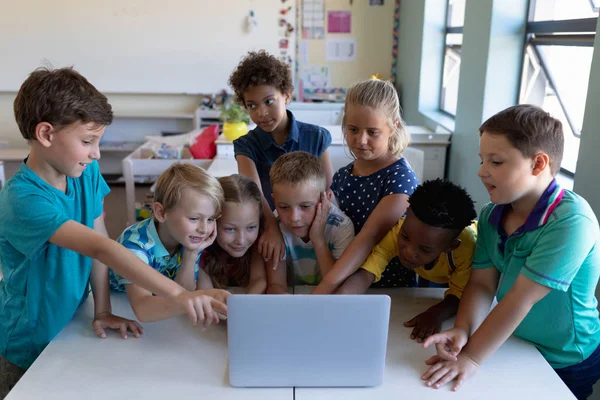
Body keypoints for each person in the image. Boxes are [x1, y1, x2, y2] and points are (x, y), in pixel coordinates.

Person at [0, 67, 228, 398]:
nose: (96, 154)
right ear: (46, 134)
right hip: (28, 344)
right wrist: (181, 296)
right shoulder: (23, 199)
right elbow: (102, 250)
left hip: (70, 326)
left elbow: (101, 241)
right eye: (88, 141)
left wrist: (103, 309)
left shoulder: (85, 173)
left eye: (99, 142)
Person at [422, 105, 600, 400]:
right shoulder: (492, 215)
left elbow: (521, 297)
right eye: (482, 160)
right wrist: (463, 330)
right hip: (516, 342)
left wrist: (472, 358)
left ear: (538, 164)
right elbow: (481, 283)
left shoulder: (571, 222)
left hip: (566, 356)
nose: (481, 171)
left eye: (496, 162)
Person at [313, 78, 420, 294]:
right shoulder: (343, 175)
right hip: (341, 282)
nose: (361, 140)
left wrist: (323, 290)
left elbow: (369, 237)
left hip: (390, 290)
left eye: (372, 132)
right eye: (353, 129)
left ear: (393, 128)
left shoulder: (400, 179)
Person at [337, 179, 477, 342]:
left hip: (454, 277)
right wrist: (339, 301)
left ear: (451, 246)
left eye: (424, 249)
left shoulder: (468, 248)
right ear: (407, 212)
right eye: (404, 237)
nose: (409, 252)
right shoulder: (401, 228)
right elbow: (368, 271)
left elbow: (461, 294)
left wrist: (435, 314)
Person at [229, 50, 333, 269]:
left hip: (312, 227)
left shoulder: (317, 137)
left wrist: (315, 232)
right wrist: (272, 229)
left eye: (269, 101)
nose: (262, 113)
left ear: (286, 95)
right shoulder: (245, 145)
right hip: (270, 226)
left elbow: (328, 190)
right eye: (252, 105)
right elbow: (253, 192)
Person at [110, 163, 231, 323]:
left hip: (160, 309)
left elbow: (183, 293)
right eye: (194, 218)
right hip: (120, 306)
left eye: (210, 219)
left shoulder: (187, 235)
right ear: (161, 213)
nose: (204, 229)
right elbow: (143, 309)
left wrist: (191, 253)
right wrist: (201, 296)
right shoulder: (136, 245)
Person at [265, 152, 354, 293]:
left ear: (325, 199)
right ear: (274, 200)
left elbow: (338, 287)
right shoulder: (274, 228)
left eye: (305, 206)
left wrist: (318, 240)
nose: (294, 217)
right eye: (283, 207)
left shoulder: (341, 227)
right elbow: (275, 285)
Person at [197, 174, 267, 294]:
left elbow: (259, 280)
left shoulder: (259, 241)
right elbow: (207, 292)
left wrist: (243, 307)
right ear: (213, 221)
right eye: (230, 229)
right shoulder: (200, 245)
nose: (241, 240)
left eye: (251, 227)